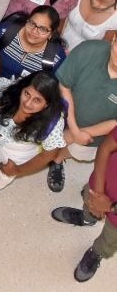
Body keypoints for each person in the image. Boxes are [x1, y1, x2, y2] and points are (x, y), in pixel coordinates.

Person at [0, 72, 66, 211]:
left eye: (37, 100)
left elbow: (47, 155)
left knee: (7, 172)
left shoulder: (52, 124)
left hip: (19, 149)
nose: (28, 103)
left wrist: (17, 170)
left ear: (46, 105)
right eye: (27, 94)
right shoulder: (9, 91)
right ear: (22, 88)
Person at [49, 38, 117, 195]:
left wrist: (80, 134)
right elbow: (64, 86)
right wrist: (73, 128)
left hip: (94, 134)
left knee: (79, 151)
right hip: (61, 111)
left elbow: (116, 123)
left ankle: (58, 160)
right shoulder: (89, 50)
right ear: (114, 40)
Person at [51, 124, 117, 283]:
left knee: (110, 238)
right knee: (89, 201)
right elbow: (106, 147)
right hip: (101, 183)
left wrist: (110, 207)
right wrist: (99, 192)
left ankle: (97, 252)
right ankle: (86, 218)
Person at [0, 7, 67, 81]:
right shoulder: (4, 31)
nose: (34, 31)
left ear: (51, 34)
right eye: (32, 24)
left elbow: (51, 88)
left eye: (43, 29)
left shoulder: (56, 58)